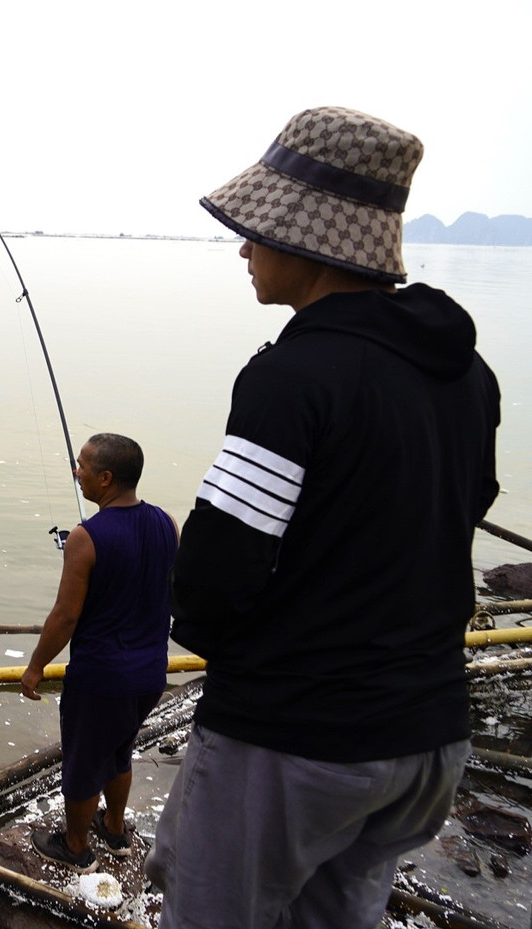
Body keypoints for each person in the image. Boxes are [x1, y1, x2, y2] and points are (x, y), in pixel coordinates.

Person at [145, 107, 501, 928]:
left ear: (306, 240)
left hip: (296, 738)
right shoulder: (468, 375)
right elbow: (457, 516)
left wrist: (232, 644)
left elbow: (215, 575)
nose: (244, 249)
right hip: (426, 736)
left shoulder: (292, 377)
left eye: (257, 231)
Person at [20, 433, 178, 874]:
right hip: (150, 673)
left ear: (105, 478)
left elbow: (65, 617)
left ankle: (75, 847)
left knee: (84, 762)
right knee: (118, 752)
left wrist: (35, 667)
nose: (77, 472)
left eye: (83, 466)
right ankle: (114, 828)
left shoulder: (85, 538)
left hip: (101, 678)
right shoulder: (168, 523)